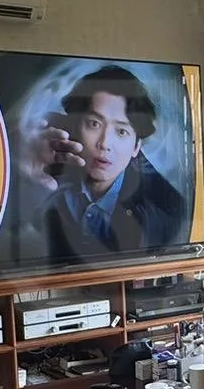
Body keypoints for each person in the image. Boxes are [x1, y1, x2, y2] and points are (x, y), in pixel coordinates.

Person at [22, 64, 188, 261]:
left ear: (136, 147)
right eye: (94, 124)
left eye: (121, 131)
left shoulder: (165, 211)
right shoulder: (44, 166)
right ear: (75, 126)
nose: (105, 143)